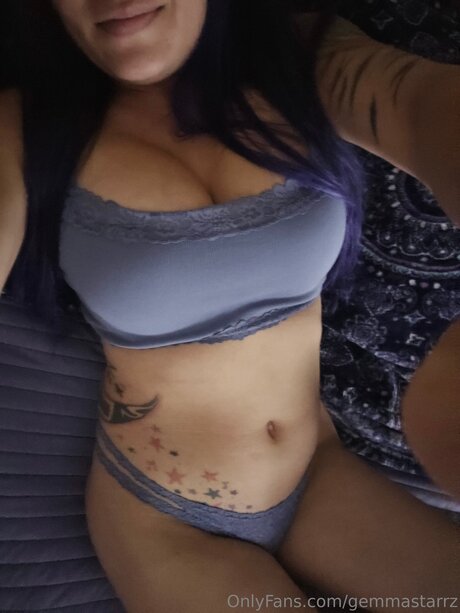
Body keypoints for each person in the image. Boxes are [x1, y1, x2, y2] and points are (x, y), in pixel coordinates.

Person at [0, 1, 458, 611]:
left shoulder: (299, 58)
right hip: (165, 522)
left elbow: (419, 104)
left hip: (316, 473)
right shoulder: (21, 125)